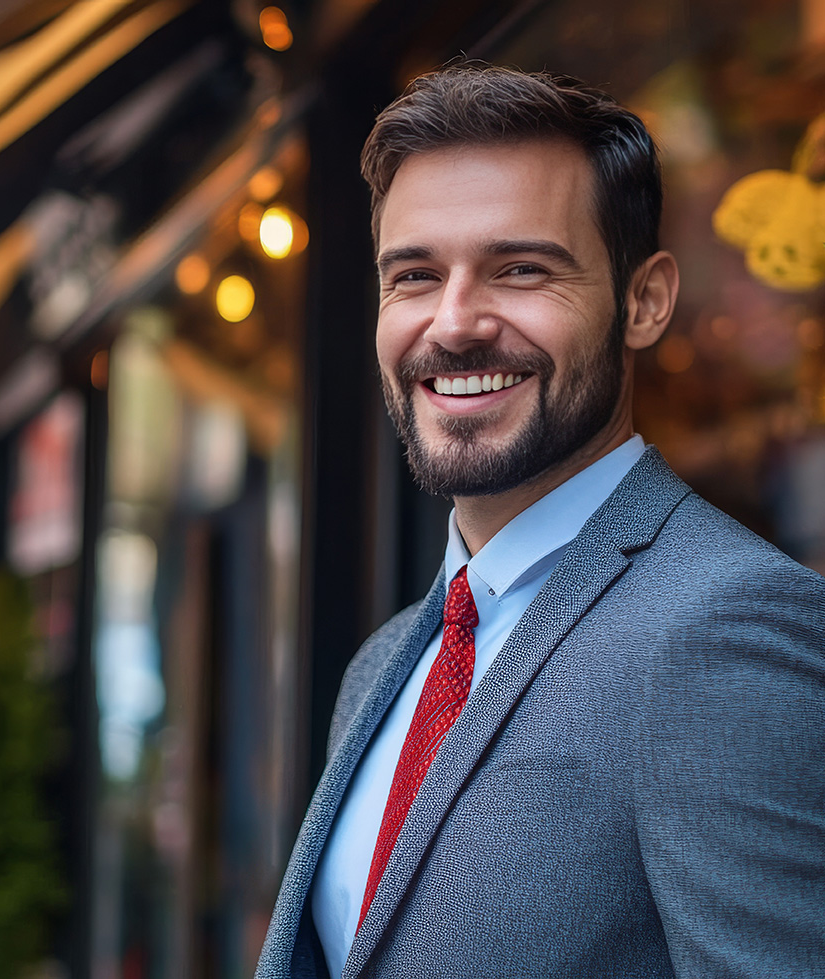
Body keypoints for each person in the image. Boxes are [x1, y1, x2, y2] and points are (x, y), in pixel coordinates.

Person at [255, 63, 825, 979]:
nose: (453, 323)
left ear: (643, 301)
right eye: (413, 275)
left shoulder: (729, 629)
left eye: (520, 269)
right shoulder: (382, 667)